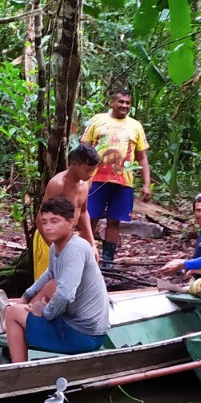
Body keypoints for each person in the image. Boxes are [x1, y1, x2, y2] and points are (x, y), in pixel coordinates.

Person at [0, 196, 111, 362]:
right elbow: (50, 274)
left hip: (83, 335)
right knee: (51, 284)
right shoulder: (56, 247)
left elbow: (65, 295)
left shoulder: (76, 248)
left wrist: (46, 312)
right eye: (45, 222)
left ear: (71, 222)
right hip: (82, 329)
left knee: (12, 313)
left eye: (54, 221)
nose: (48, 227)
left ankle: (18, 369)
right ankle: (20, 313)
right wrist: (25, 297)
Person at [81, 85, 152, 267]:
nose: (124, 105)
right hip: (95, 179)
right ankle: (85, 257)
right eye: (120, 101)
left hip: (123, 182)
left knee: (114, 221)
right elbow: (84, 148)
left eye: (128, 103)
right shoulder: (97, 120)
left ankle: (108, 260)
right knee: (91, 218)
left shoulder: (135, 126)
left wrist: (146, 184)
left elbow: (142, 157)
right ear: (112, 102)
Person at [33, 142, 100, 281]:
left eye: (93, 170)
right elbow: (40, 219)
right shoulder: (58, 184)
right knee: (46, 287)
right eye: (87, 170)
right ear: (75, 164)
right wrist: (56, 250)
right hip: (49, 238)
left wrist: (92, 244)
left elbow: (82, 212)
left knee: (68, 284)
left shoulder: (86, 182)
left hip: (68, 239)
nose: (90, 174)